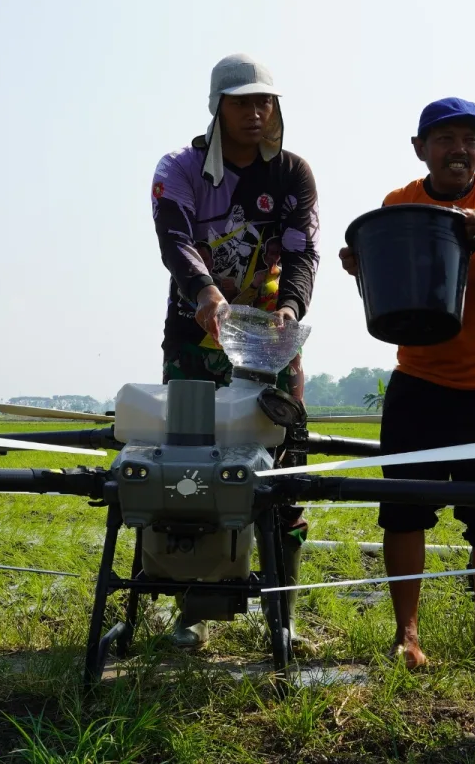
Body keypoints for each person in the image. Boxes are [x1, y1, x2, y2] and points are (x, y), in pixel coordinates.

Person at [338, 97, 475, 675]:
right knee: (403, 510)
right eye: (446, 138)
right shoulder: (400, 204)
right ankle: (407, 635)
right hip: (420, 381)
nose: (460, 149)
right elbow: (393, 292)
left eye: (471, 140)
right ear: (421, 148)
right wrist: (363, 266)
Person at [150, 53, 320, 647]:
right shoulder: (181, 169)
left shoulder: (293, 175)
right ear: (217, 107)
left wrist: (291, 308)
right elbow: (176, 241)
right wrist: (207, 296)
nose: (257, 112)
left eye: (265, 101)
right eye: (243, 101)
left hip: (271, 349)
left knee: (285, 473)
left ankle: (282, 617)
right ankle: (191, 616)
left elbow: (303, 251)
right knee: (192, 476)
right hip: (196, 343)